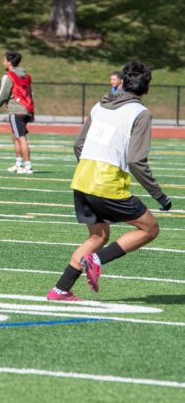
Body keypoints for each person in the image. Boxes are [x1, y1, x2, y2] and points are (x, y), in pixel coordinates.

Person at [46, 61, 172, 301]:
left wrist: (89, 168)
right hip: (106, 183)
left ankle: (61, 289)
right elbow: (136, 160)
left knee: (98, 236)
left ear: (122, 82)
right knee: (150, 228)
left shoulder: (99, 106)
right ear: (146, 88)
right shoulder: (140, 113)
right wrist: (159, 196)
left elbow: (78, 145)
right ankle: (96, 260)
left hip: (82, 179)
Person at [0, 51, 34, 174]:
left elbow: (3, 95)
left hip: (16, 109)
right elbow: (30, 94)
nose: (3, 62)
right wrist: (32, 112)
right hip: (26, 109)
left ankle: (28, 167)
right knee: (15, 136)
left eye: (4, 60)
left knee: (21, 137)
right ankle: (18, 164)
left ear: (9, 62)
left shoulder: (9, 76)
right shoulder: (26, 76)